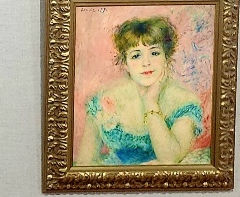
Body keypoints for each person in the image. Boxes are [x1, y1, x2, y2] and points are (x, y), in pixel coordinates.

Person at [75, 16, 206, 166]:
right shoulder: (105, 100)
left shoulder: (184, 101)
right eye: (136, 55)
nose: (146, 63)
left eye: (154, 53)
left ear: (167, 58)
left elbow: (169, 159)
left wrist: (151, 102)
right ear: (125, 64)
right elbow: (84, 163)